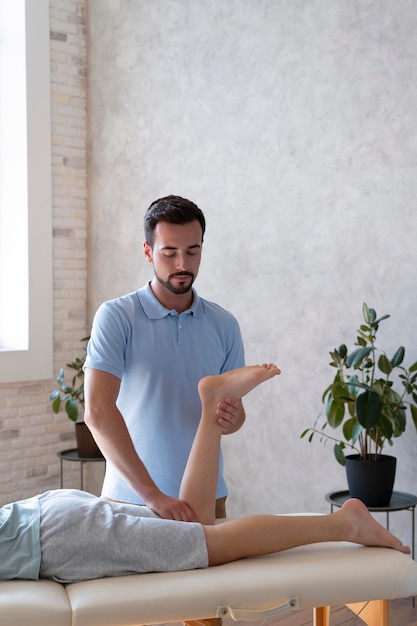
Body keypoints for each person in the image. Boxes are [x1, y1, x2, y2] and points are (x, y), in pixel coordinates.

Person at [1, 364, 410, 583]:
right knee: (196, 525)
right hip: (47, 517)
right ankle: (210, 409)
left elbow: (96, 412)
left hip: (55, 540)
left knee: (210, 544)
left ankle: (344, 525)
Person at [84, 195, 246, 521]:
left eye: (192, 251)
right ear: (148, 252)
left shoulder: (224, 324)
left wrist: (233, 418)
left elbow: (234, 417)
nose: (182, 264)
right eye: (169, 252)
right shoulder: (116, 316)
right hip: (131, 502)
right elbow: (97, 412)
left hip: (206, 499)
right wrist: (153, 496)